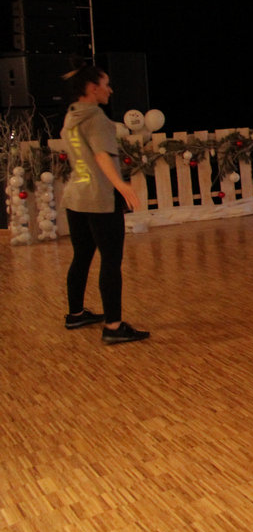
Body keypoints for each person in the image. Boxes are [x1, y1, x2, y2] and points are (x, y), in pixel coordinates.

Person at [60, 64, 150, 344]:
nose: (110, 90)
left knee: (81, 256)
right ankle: (113, 326)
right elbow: (102, 156)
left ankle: (76, 314)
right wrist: (121, 185)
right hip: (99, 199)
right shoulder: (96, 117)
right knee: (111, 262)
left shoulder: (72, 115)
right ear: (92, 88)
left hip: (75, 197)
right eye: (106, 84)